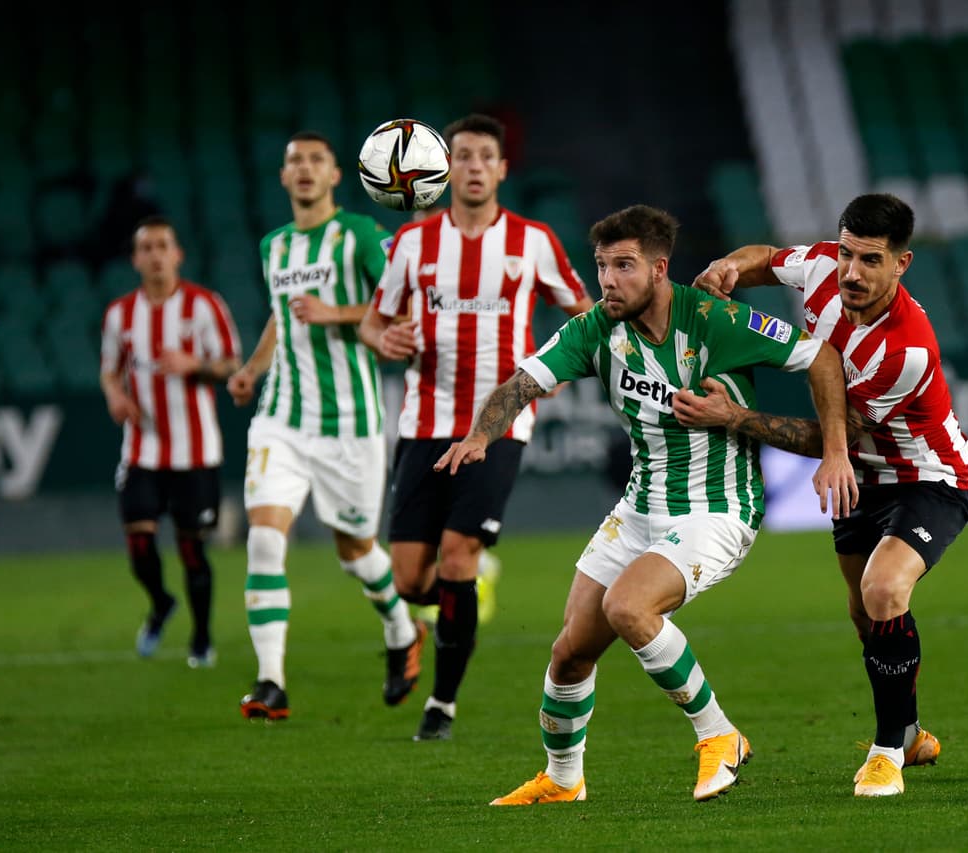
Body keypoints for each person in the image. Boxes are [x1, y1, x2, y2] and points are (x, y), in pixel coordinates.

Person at [435, 204, 856, 804]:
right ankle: (562, 780)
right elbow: (522, 383)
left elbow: (820, 358)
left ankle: (720, 737)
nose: (607, 280)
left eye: (623, 266)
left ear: (660, 269)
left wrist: (834, 450)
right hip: (639, 508)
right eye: (602, 266)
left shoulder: (716, 319)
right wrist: (481, 434)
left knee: (629, 608)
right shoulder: (595, 329)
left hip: (717, 508)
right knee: (569, 653)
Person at [691, 192, 968, 797]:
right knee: (863, 613)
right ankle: (914, 731)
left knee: (883, 589)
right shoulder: (824, 267)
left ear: (902, 264)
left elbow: (832, 438)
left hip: (927, 477)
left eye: (870, 260)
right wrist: (728, 267)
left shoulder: (905, 349)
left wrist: (731, 417)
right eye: (847, 253)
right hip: (861, 478)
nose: (850, 272)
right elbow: (766, 258)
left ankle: (886, 752)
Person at [358, 113, 596, 741]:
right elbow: (371, 322)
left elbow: (584, 312)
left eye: (482, 156)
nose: (470, 166)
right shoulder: (413, 244)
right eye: (460, 155)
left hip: (498, 427)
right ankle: (462, 596)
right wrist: (389, 339)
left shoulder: (533, 241)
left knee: (458, 556)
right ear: (444, 168)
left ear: (500, 169)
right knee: (409, 578)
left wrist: (564, 365)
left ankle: (442, 705)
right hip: (423, 420)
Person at [226, 131, 423, 722]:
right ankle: (270, 682)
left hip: (351, 422)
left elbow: (405, 303)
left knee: (356, 550)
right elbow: (281, 321)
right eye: (295, 162)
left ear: (336, 175)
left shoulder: (360, 235)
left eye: (316, 160)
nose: (305, 169)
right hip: (281, 418)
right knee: (263, 538)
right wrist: (251, 371)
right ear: (284, 178)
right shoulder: (274, 247)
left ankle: (399, 631)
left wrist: (333, 311)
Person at [99, 215, 242, 668]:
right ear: (136, 258)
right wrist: (116, 395)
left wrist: (193, 364)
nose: (157, 254)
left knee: (191, 550)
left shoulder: (205, 305)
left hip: (195, 453)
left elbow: (231, 365)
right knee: (139, 548)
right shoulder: (120, 314)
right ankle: (161, 603)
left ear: (178, 254)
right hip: (142, 450)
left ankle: (201, 637)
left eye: (164, 245)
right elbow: (109, 369)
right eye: (148, 247)